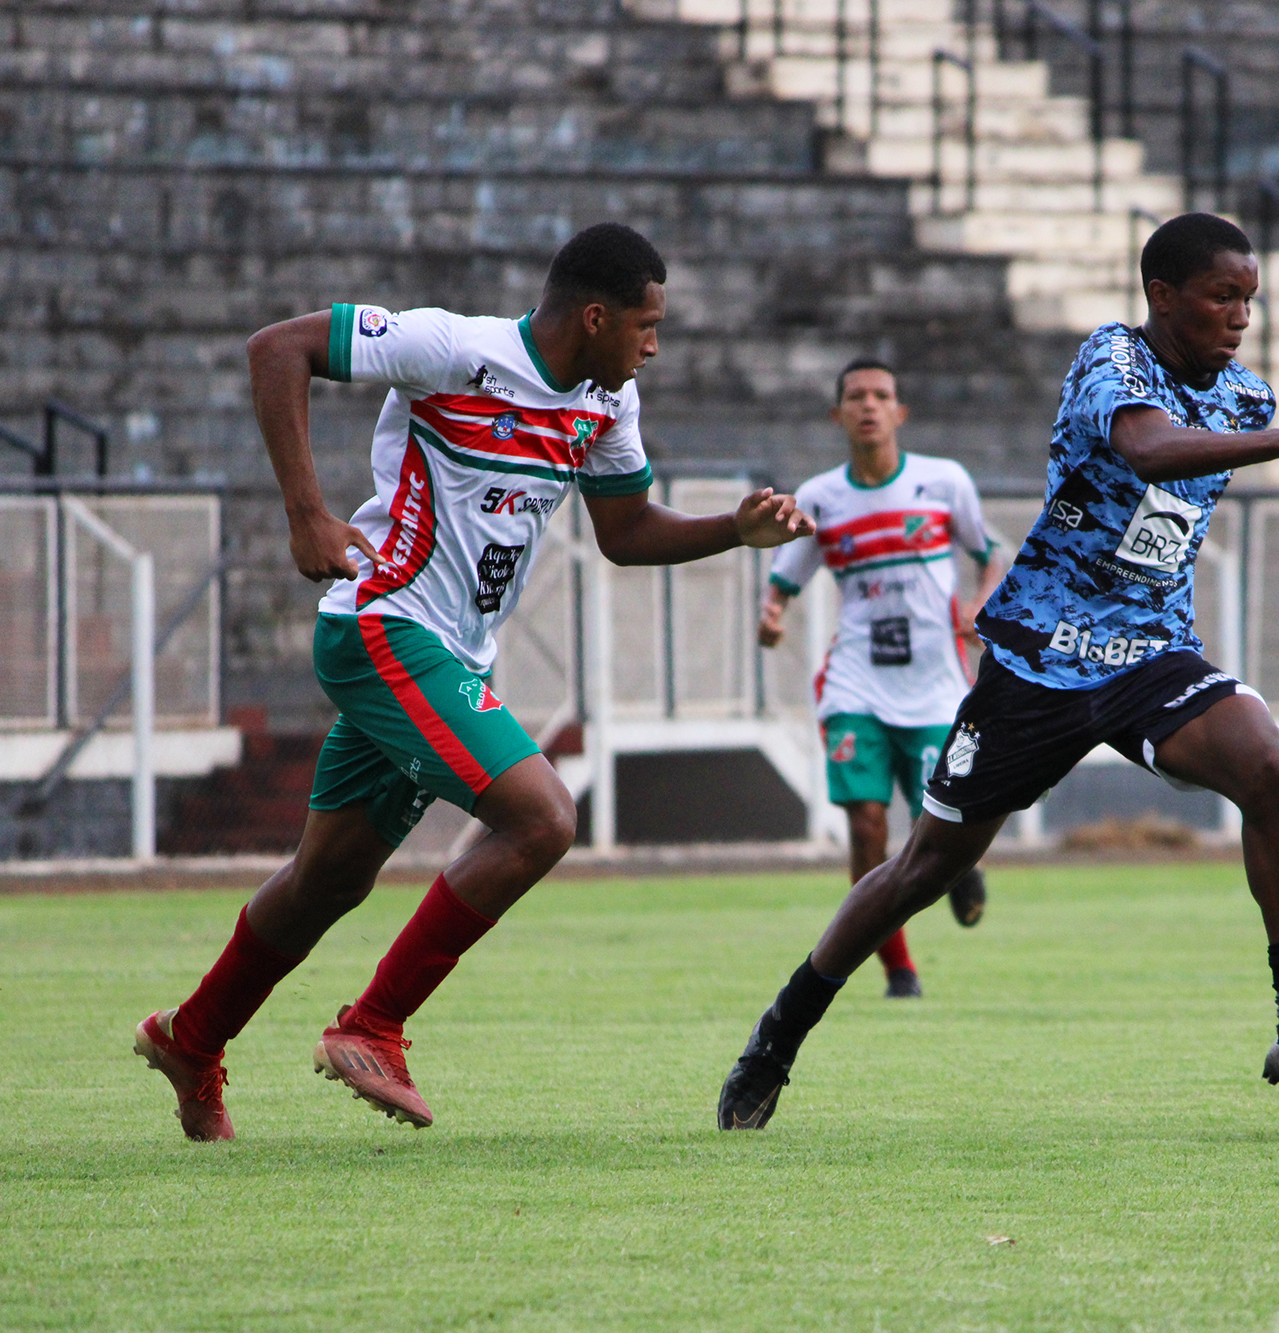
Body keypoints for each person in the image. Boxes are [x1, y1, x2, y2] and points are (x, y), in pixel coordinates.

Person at [134, 223, 814, 1141]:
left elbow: (626, 532)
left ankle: (195, 1035)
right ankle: (373, 1024)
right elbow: (278, 349)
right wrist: (307, 513)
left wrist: (735, 530)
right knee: (542, 816)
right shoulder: (455, 349)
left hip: (451, 657)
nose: (654, 346)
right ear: (596, 315)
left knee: (325, 881)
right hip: (383, 627)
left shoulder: (607, 406)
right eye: (647, 326)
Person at [717, 212, 1279, 1133]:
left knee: (1267, 764)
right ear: (1162, 295)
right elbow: (1145, 447)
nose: (1240, 317)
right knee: (924, 866)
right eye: (1223, 297)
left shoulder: (1248, 399)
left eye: (1250, 300)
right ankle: (778, 1036)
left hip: (1149, 650)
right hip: (1040, 658)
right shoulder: (1111, 359)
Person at [757, 359, 1007, 998]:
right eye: (855, 397)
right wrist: (772, 615)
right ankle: (899, 968)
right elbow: (785, 579)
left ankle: (956, 873)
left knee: (938, 831)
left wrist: (982, 606)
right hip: (856, 682)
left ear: (900, 412)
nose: (868, 405)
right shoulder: (820, 498)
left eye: (881, 395)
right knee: (867, 824)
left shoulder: (944, 482)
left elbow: (991, 557)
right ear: (838, 415)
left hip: (933, 687)